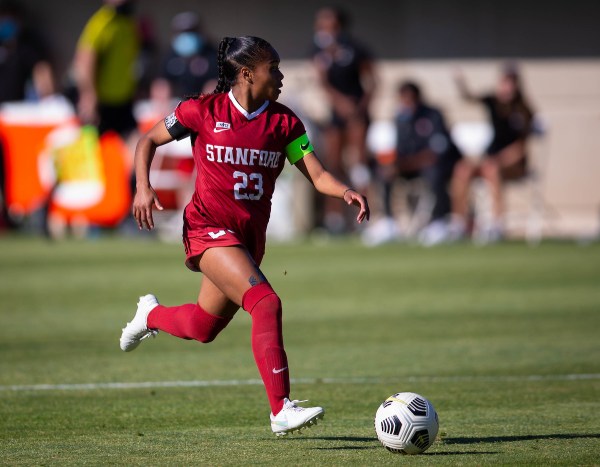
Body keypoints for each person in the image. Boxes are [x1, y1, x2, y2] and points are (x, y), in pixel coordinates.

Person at [119, 36, 369, 436]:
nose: (282, 75)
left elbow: (317, 175)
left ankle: (150, 314)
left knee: (203, 327)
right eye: (275, 68)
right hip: (205, 229)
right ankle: (281, 409)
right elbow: (148, 139)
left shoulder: (286, 123)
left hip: (247, 241)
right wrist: (142, 187)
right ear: (248, 73)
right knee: (266, 303)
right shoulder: (201, 110)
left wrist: (345, 191)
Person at [363, 81, 461, 246]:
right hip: (409, 167)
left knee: (434, 173)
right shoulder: (400, 119)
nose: (405, 103)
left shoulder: (433, 116)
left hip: (435, 165)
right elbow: (401, 149)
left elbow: (434, 153)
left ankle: (438, 222)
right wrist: (394, 164)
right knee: (383, 172)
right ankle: (388, 222)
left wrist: (405, 163)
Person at [448, 64, 534, 242]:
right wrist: (459, 81)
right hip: (491, 158)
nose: (507, 87)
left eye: (511, 83)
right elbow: (468, 97)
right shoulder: (493, 102)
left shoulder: (524, 110)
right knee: (462, 169)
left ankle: (496, 224)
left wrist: (499, 160)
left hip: (513, 162)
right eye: (504, 82)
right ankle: (459, 222)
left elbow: (521, 147)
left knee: (491, 170)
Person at [311, 6, 376, 233]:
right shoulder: (320, 51)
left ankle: (369, 217)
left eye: (328, 24)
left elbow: (372, 81)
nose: (324, 29)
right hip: (336, 115)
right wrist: (339, 103)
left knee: (359, 163)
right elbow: (323, 83)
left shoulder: (356, 49)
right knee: (333, 164)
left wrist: (359, 108)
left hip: (357, 113)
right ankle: (334, 219)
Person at [73, 0, 140, 137]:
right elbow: (84, 61)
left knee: (138, 143)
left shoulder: (129, 24)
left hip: (123, 100)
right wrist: (89, 95)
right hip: (101, 102)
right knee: (89, 148)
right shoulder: (101, 23)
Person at [158, 11, 218, 99]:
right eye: (182, 32)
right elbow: (162, 83)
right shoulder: (170, 56)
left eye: (191, 32)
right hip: (178, 103)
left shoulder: (212, 54)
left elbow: (214, 84)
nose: (186, 36)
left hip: (204, 103)